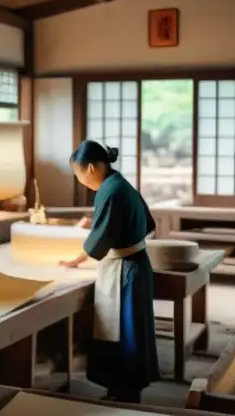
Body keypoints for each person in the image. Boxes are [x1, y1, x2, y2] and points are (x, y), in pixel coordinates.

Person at [60, 140, 160, 402]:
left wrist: (76, 259)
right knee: (130, 329)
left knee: (124, 330)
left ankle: (124, 392)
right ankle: (125, 388)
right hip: (136, 262)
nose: (80, 181)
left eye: (79, 174)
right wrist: (94, 222)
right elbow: (144, 222)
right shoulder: (118, 184)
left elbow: (99, 241)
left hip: (125, 270)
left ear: (91, 168)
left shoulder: (111, 191)